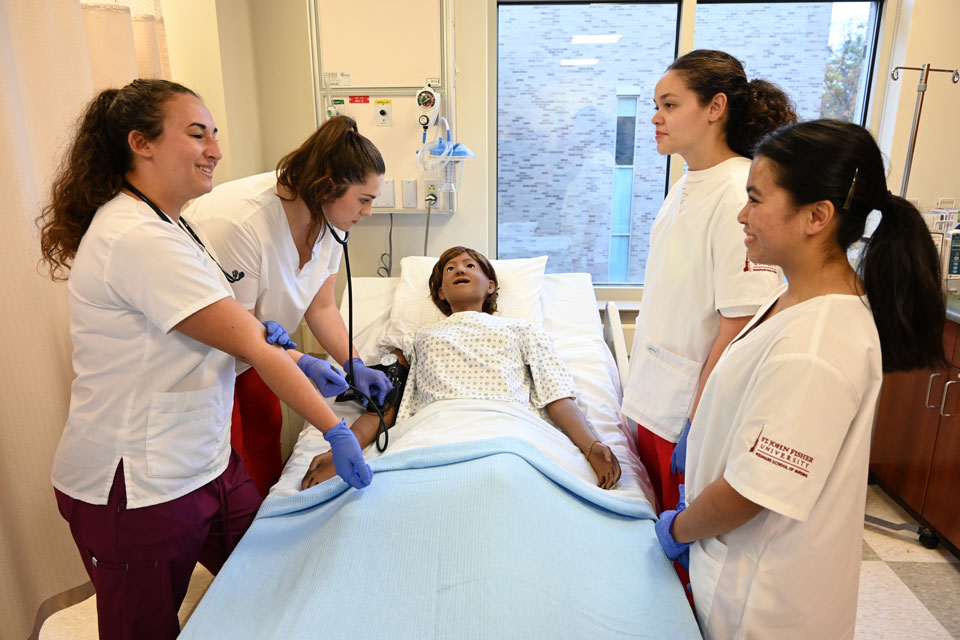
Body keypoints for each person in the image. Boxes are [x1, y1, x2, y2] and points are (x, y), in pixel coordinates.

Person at [38, 79, 372, 640]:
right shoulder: (137, 235)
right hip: (138, 482)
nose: (215, 148)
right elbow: (248, 343)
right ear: (141, 142)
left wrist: (280, 343)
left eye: (215, 134)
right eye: (197, 134)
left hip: (204, 458)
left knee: (268, 572)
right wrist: (336, 428)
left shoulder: (173, 222)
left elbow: (225, 324)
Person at [655, 120, 947, 638]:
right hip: (744, 569)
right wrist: (700, 441)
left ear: (816, 216)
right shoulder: (794, 297)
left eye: (756, 199)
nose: (742, 216)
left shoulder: (816, 345)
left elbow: (750, 493)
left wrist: (678, 527)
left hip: (763, 600)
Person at [621, 50, 798, 513]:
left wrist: (698, 422)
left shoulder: (739, 190)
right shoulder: (685, 184)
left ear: (715, 107)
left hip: (686, 413)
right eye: (656, 106)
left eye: (670, 105)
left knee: (685, 553)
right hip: (654, 400)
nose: (656, 118)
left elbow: (739, 324)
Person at [184, 115, 393, 497]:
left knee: (265, 448)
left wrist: (353, 362)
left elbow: (322, 307)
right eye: (364, 200)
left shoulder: (332, 223)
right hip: (205, 361)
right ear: (328, 186)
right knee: (224, 471)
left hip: (261, 353)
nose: (369, 212)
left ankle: (268, 518)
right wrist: (303, 362)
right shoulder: (239, 222)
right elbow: (238, 332)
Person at [301, 246, 622, 490]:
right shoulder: (414, 340)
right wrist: (343, 449)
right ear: (440, 292)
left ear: (491, 286)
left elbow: (556, 396)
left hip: (507, 430)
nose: (460, 270)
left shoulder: (523, 331)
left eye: (470, 265)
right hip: (433, 431)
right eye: (450, 269)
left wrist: (591, 446)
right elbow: (384, 405)